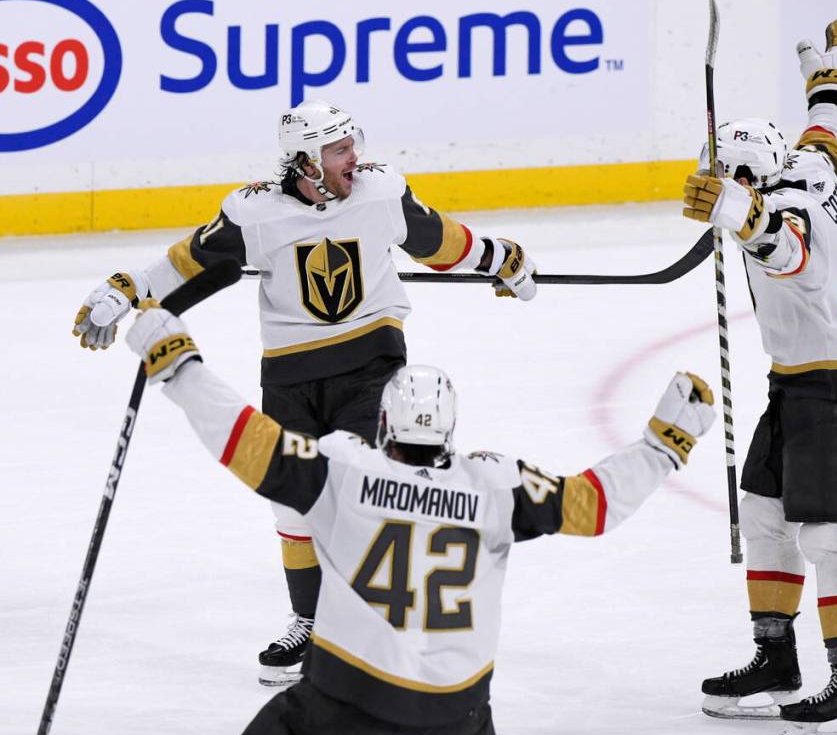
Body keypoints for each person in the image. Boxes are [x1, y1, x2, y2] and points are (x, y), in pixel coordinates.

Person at [122, 300, 716, 735]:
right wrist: (663, 446)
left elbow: (246, 441)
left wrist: (179, 365)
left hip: (340, 707)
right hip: (453, 720)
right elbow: (594, 506)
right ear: (450, 430)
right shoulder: (493, 485)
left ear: (383, 423)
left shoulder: (344, 471)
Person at [70, 100, 539, 686]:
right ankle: (309, 621)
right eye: (339, 150)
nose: (354, 158)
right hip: (290, 375)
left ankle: (373, 630)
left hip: (372, 361)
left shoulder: (379, 193)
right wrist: (125, 289)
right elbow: (186, 263)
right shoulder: (253, 213)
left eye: (352, 145)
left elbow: (440, 242)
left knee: (365, 491)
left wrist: (503, 259)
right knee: (291, 502)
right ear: (306, 162)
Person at [681, 21, 837, 735]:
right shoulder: (809, 165)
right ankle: (775, 660)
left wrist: (737, 216)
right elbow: (827, 125)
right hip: (801, 383)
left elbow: (784, 249)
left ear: (751, 178)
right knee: (763, 512)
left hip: (836, 391)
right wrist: (830, 75)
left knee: (831, 537)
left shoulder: (792, 209)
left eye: (728, 176)